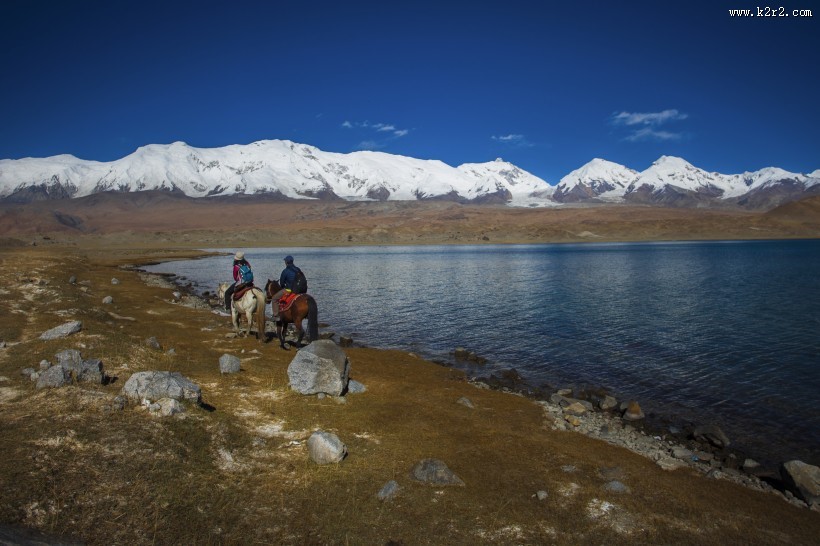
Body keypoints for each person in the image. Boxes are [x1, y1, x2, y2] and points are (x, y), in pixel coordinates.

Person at [270, 255, 300, 323]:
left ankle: (276, 316)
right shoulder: (298, 269)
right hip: (298, 290)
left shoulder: (285, 271)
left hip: (288, 290)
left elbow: (282, 283)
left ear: (286, 262)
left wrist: (284, 287)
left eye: (285, 261)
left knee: (274, 298)